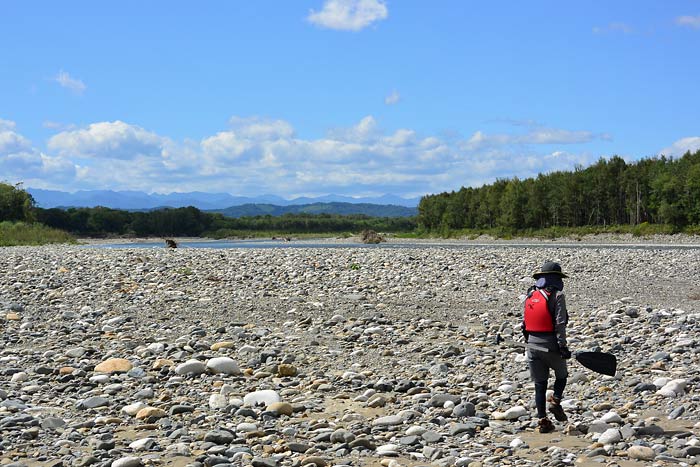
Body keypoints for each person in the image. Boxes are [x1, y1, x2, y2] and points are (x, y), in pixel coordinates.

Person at [521, 261, 571, 433]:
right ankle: (556, 401)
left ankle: (542, 419)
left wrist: (529, 342)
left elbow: (524, 322)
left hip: (532, 344)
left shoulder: (531, 294)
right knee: (562, 375)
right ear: (557, 279)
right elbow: (560, 323)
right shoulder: (557, 295)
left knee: (540, 384)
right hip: (550, 344)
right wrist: (562, 346)